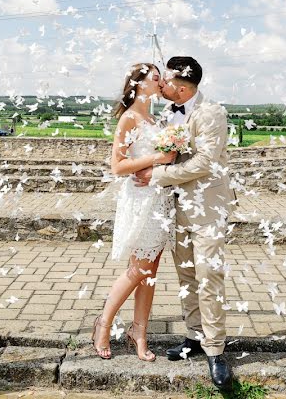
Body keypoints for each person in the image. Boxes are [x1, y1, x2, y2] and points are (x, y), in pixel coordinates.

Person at [134, 56, 235, 391]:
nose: (161, 84)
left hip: (207, 209)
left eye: (165, 80)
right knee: (187, 275)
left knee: (209, 277)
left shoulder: (211, 112)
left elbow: (205, 163)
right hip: (177, 208)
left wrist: (156, 175)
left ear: (180, 83)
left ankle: (216, 350)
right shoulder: (168, 112)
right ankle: (194, 336)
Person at [91, 63, 176, 361]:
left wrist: (167, 161)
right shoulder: (129, 118)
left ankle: (139, 331)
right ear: (140, 84)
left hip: (160, 199)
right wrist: (158, 158)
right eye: (156, 78)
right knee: (138, 269)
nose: (161, 82)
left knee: (150, 271)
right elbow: (118, 166)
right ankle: (104, 323)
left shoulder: (155, 118)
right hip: (141, 199)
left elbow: (164, 160)